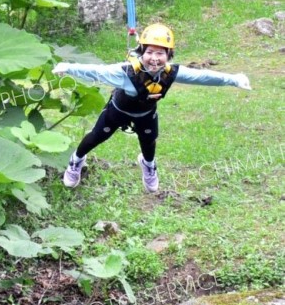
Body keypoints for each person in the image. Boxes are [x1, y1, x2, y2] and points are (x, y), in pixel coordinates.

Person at [51, 23, 251, 191]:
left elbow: (202, 77)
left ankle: (148, 165)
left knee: (148, 143)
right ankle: (77, 160)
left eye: (160, 53)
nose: (154, 58)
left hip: (146, 114)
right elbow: (97, 71)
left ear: (168, 55)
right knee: (96, 136)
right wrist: (68, 68)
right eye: (149, 52)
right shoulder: (125, 72)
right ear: (141, 53)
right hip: (117, 111)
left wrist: (234, 80)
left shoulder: (171, 73)